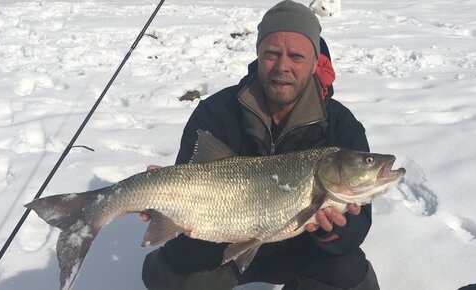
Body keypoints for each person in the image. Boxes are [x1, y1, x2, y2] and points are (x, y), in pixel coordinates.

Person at [141, 1, 379, 289]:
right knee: (172, 269)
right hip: (225, 238)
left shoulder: (341, 125)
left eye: (296, 56)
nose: (283, 66)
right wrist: (166, 199)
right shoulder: (216, 112)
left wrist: (336, 231)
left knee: (349, 272)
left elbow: (357, 230)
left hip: (302, 253)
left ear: (315, 62)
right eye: (272, 54)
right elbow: (189, 180)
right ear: (257, 54)